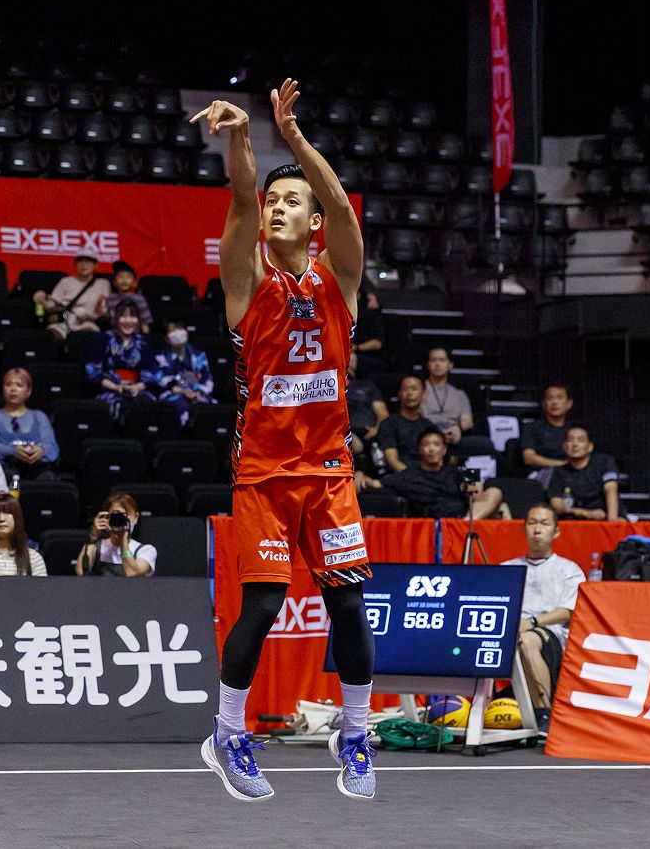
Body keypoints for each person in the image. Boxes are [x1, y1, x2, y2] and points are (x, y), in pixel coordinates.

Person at [193, 80, 377, 802]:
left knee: (350, 605)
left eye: (291, 200)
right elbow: (241, 202)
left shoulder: (340, 278)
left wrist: (294, 138)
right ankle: (227, 733)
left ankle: (354, 734)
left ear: (314, 221)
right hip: (266, 475)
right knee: (265, 606)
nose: (276, 207)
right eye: (274, 199)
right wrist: (245, 137)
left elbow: (344, 209)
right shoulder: (246, 282)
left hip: (329, 473)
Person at [504, 502, 584, 735]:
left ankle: (543, 712)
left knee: (527, 641)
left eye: (544, 523)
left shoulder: (569, 569)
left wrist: (532, 623)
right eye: (532, 523)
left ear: (556, 532)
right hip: (510, 632)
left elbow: (569, 611)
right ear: (524, 529)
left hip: (550, 635)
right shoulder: (508, 568)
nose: (537, 529)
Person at [357, 429, 503, 519]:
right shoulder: (407, 476)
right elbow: (374, 483)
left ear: (444, 450)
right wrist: (359, 474)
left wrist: (474, 490)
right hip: (432, 526)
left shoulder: (456, 473)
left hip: (463, 521)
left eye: (436, 444)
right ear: (420, 450)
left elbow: (476, 492)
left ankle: (463, 526)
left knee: (495, 492)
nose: (431, 449)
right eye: (426, 444)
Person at [0, 367, 60, 481]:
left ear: (28, 391)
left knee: (47, 477)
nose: (13, 389)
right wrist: (13, 451)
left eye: (19, 385)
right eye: (8, 384)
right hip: (5, 467)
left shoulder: (39, 416)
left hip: (37, 467)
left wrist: (41, 450)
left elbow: (51, 446)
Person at [88, 300, 152, 419]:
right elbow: (93, 370)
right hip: (109, 390)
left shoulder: (143, 343)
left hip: (137, 390)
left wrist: (136, 387)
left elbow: (151, 372)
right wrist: (115, 387)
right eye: (124, 316)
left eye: (132, 316)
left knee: (147, 407)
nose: (128, 321)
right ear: (116, 318)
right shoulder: (103, 339)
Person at [76, 489, 157, 577]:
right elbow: (81, 573)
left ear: (136, 517)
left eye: (125, 516)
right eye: (115, 516)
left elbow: (132, 573)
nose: (120, 520)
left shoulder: (146, 550)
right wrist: (93, 537)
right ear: (107, 518)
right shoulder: (97, 546)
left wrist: (123, 539)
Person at [150, 317, 216, 425]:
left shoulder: (199, 356)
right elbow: (161, 379)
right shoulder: (160, 357)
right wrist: (183, 388)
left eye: (180, 329)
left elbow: (206, 379)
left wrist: (197, 392)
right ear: (166, 338)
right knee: (179, 408)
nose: (177, 333)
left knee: (208, 409)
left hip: (197, 394)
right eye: (173, 330)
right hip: (172, 394)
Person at [33, 248, 110, 340]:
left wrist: (93, 316)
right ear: (75, 264)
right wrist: (42, 300)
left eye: (87, 261)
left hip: (89, 323)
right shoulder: (66, 281)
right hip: (65, 318)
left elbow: (105, 309)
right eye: (80, 261)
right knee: (50, 335)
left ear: (96, 265)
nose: (83, 265)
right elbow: (52, 304)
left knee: (87, 337)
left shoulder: (103, 283)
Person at [545, 428, 620, 521]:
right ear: (564, 446)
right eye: (570, 440)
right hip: (574, 520)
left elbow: (611, 489)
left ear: (590, 447)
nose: (575, 444)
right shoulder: (559, 471)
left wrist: (612, 521)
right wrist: (584, 513)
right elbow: (556, 503)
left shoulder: (604, 462)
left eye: (581, 440)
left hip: (604, 518)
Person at [374, 375, 429, 473]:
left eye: (414, 389)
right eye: (405, 389)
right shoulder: (388, 424)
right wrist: (417, 478)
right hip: (399, 476)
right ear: (399, 394)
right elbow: (393, 461)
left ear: (424, 394)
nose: (410, 393)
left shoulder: (429, 427)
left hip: (426, 475)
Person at [520, 383, 574, 483]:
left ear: (569, 404)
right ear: (544, 404)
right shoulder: (532, 428)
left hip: (572, 474)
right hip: (541, 475)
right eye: (550, 398)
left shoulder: (575, 430)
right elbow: (528, 458)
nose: (555, 402)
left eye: (559, 398)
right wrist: (562, 464)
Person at [420, 346, 474, 445]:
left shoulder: (459, 394)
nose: (437, 364)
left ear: (450, 365)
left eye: (442, 360)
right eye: (433, 360)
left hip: (453, 434)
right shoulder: (419, 389)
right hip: (426, 433)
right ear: (427, 365)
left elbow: (467, 421)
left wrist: (458, 428)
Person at [342, 350, 388, 466]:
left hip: (369, 433)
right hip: (343, 433)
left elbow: (383, 414)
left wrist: (376, 429)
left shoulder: (367, 385)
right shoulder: (327, 387)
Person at [95, 260, 153, 332]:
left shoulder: (140, 299)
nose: (124, 280)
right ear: (114, 282)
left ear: (135, 282)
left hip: (135, 334)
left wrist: (146, 336)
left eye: (128, 277)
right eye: (120, 277)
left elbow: (145, 322)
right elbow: (107, 320)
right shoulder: (110, 299)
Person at [350, 284, 386, 373]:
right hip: (339, 351)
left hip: (362, 354)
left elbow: (377, 342)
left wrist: (356, 348)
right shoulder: (336, 311)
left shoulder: (369, 314)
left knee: (350, 359)